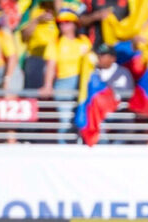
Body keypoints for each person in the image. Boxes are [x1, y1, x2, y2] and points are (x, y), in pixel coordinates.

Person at [43, 8, 92, 141]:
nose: (63, 25)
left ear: (75, 24)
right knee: (65, 120)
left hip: (83, 83)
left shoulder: (83, 40)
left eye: (67, 22)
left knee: (83, 116)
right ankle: (63, 149)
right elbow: (51, 65)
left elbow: (91, 62)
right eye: (61, 22)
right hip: (64, 83)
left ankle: (83, 145)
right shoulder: (56, 42)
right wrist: (48, 85)